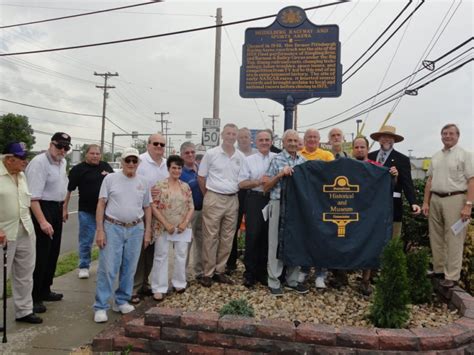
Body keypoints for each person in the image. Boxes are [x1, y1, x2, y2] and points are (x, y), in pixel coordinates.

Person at [93, 147, 152, 323]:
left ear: (138, 163)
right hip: (113, 227)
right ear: (122, 162)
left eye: (134, 161)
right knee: (108, 268)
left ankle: (121, 300)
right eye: (128, 160)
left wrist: (147, 231)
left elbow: (147, 207)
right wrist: (100, 230)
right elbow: (101, 204)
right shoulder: (110, 179)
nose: (131, 164)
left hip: (136, 228)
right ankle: (101, 306)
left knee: (130, 267)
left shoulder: (143, 181)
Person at [422, 124, 473, 288]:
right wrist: (425, 202)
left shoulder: (465, 155)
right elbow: (429, 181)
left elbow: (471, 180)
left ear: (458, 136)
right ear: (441, 136)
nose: (447, 136)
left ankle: (452, 275)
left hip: (456, 199)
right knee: (436, 236)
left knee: (453, 238)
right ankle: (438, 270)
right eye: (444, 133)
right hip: (436, 198)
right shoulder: (436, 156)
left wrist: (468, 205)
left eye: (451, 133)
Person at [25, 132, 71, 314]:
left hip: (56, 208)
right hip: (42, 207)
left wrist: (63, 208)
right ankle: (34, 297)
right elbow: (33, 198)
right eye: (59, 146)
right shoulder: (39, 163)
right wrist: (43, 222)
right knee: (41, 254)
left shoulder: (63, 162)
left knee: (53, 252)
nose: (62, 150)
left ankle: (45, 289)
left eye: (66, 147)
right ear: (51, 144)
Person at [198, 123, 245, 287]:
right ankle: (207, 273)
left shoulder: (240, 156)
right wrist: (209, 196)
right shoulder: (211, 154)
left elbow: (243, 178)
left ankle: (220, 270)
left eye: (234, 134)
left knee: (227, 237)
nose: (231, 136)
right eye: (228, 133)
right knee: (210, 236)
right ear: (222, 135)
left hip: (232, 199)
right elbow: (201, 177)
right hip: (214, 197)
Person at [0, 142, 42, 324]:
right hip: (4, 233)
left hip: (25, 230)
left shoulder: (22, 175)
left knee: (25, 273)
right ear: (9, 159)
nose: (26, 161)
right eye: (22, 158)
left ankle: (24, 310)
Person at [263, 129, 308, 296]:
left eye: (296, 141)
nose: (293, 144)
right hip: (278, 203)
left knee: (296, 242)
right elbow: (265, 187)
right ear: (283, 142)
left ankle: (292, 280)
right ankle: (274, 280)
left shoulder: (303, 161)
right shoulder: (277, 160)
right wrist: (281, 174)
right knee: (275, 243)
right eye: (290, 140)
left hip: (297, 207)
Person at [353, 136, 399, 295]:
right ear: (353, 149)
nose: (359, 150)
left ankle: (365, 280)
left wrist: (393, 175)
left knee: (369, 243)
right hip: (350, 210)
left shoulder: (377, 167)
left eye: (362, 147)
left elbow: (389, 186)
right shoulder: (346, 167)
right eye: (356, 147)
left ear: (367, 149)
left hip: (368, 213)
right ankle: (341, 275)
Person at [63, 144, 113, 279]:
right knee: (86, 240)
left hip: (105, 211)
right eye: (92, 153)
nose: (95, 156)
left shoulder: (106, 167)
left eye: (98, 154)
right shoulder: (78, 170)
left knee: (107, 239)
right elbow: (68, 190)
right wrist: (65, 208)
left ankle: (105, 265)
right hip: (86, 211)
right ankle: (84, 266)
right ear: (86, 154)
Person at [150, 155, 194, 301]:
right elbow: (153, 206)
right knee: (161, 256)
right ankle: (158, 287)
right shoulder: (159, 186)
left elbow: (191, 206)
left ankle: (179, 283)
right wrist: (166, 224)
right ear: (168, 168)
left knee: (181, 255)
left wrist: (184, 222)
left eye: (179, 168)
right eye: (173, 168)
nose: (176, 170)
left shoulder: (185, 186)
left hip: (182, 227)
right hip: (163, 227)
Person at [132, 133, 169, 303]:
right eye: (156, 143)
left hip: (159, 215)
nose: (159, 147)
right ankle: (133, 288)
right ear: (148, 145)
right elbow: (130, 183)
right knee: (139, 251)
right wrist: (147, 191)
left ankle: (145, 283)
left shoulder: (166, 165)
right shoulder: (139, 161)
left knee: (152, 251)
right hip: (141, 212)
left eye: (162, 144)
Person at [369, 125, 421, 238]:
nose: (386, 139)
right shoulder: (370, 156)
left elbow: (407, 183)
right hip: (372, 206)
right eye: (383, 137)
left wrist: (413, 202)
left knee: (392, 240)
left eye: (390, 137)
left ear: (394, 140)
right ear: (379, 139)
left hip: (393, 206)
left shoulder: (402, 159)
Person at [238, 130, 276, 288]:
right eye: (261, 140)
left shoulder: (277, 158)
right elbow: (241, 183)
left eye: (267, 139)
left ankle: (263, 272)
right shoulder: (249, 160)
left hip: (273, 199)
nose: (264, 142)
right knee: (253, 236)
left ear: (272, 141)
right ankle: (250, 273)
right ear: (255, 142)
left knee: (268, 237)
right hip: (254, 199)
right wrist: (259, 182)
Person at [300, 128, 334, 289]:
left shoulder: (327, 155)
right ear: (305, 139)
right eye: (309, 137)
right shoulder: (299, 154)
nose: (312, 139)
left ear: (319, 139)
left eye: (315, 137)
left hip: (322, 201)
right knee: (304, 236)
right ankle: (305, 269)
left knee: (321, 237)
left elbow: (332, 174)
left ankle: (321, 274)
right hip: (304, 201)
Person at [227, 127, 256, 274]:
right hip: (237, 193)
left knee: (252, 229)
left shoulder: (256, 154)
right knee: (233, 228)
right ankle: (231, 262)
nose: (244, 139)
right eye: (241, 137)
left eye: (246, 137)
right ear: (238, 139)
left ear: (251, 138)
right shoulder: (234, 155)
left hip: (252, 193)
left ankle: (251, 262)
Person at [179, 142, 204, 280]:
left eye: (192, 152)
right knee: (185, 244)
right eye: (187, 153)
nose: (190, 155)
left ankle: (199, 271)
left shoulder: (201, 169)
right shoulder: (179, 172)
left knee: (201, 242)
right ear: (182, 155)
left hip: (202, 210)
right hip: (187, 213)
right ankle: (182, 274)